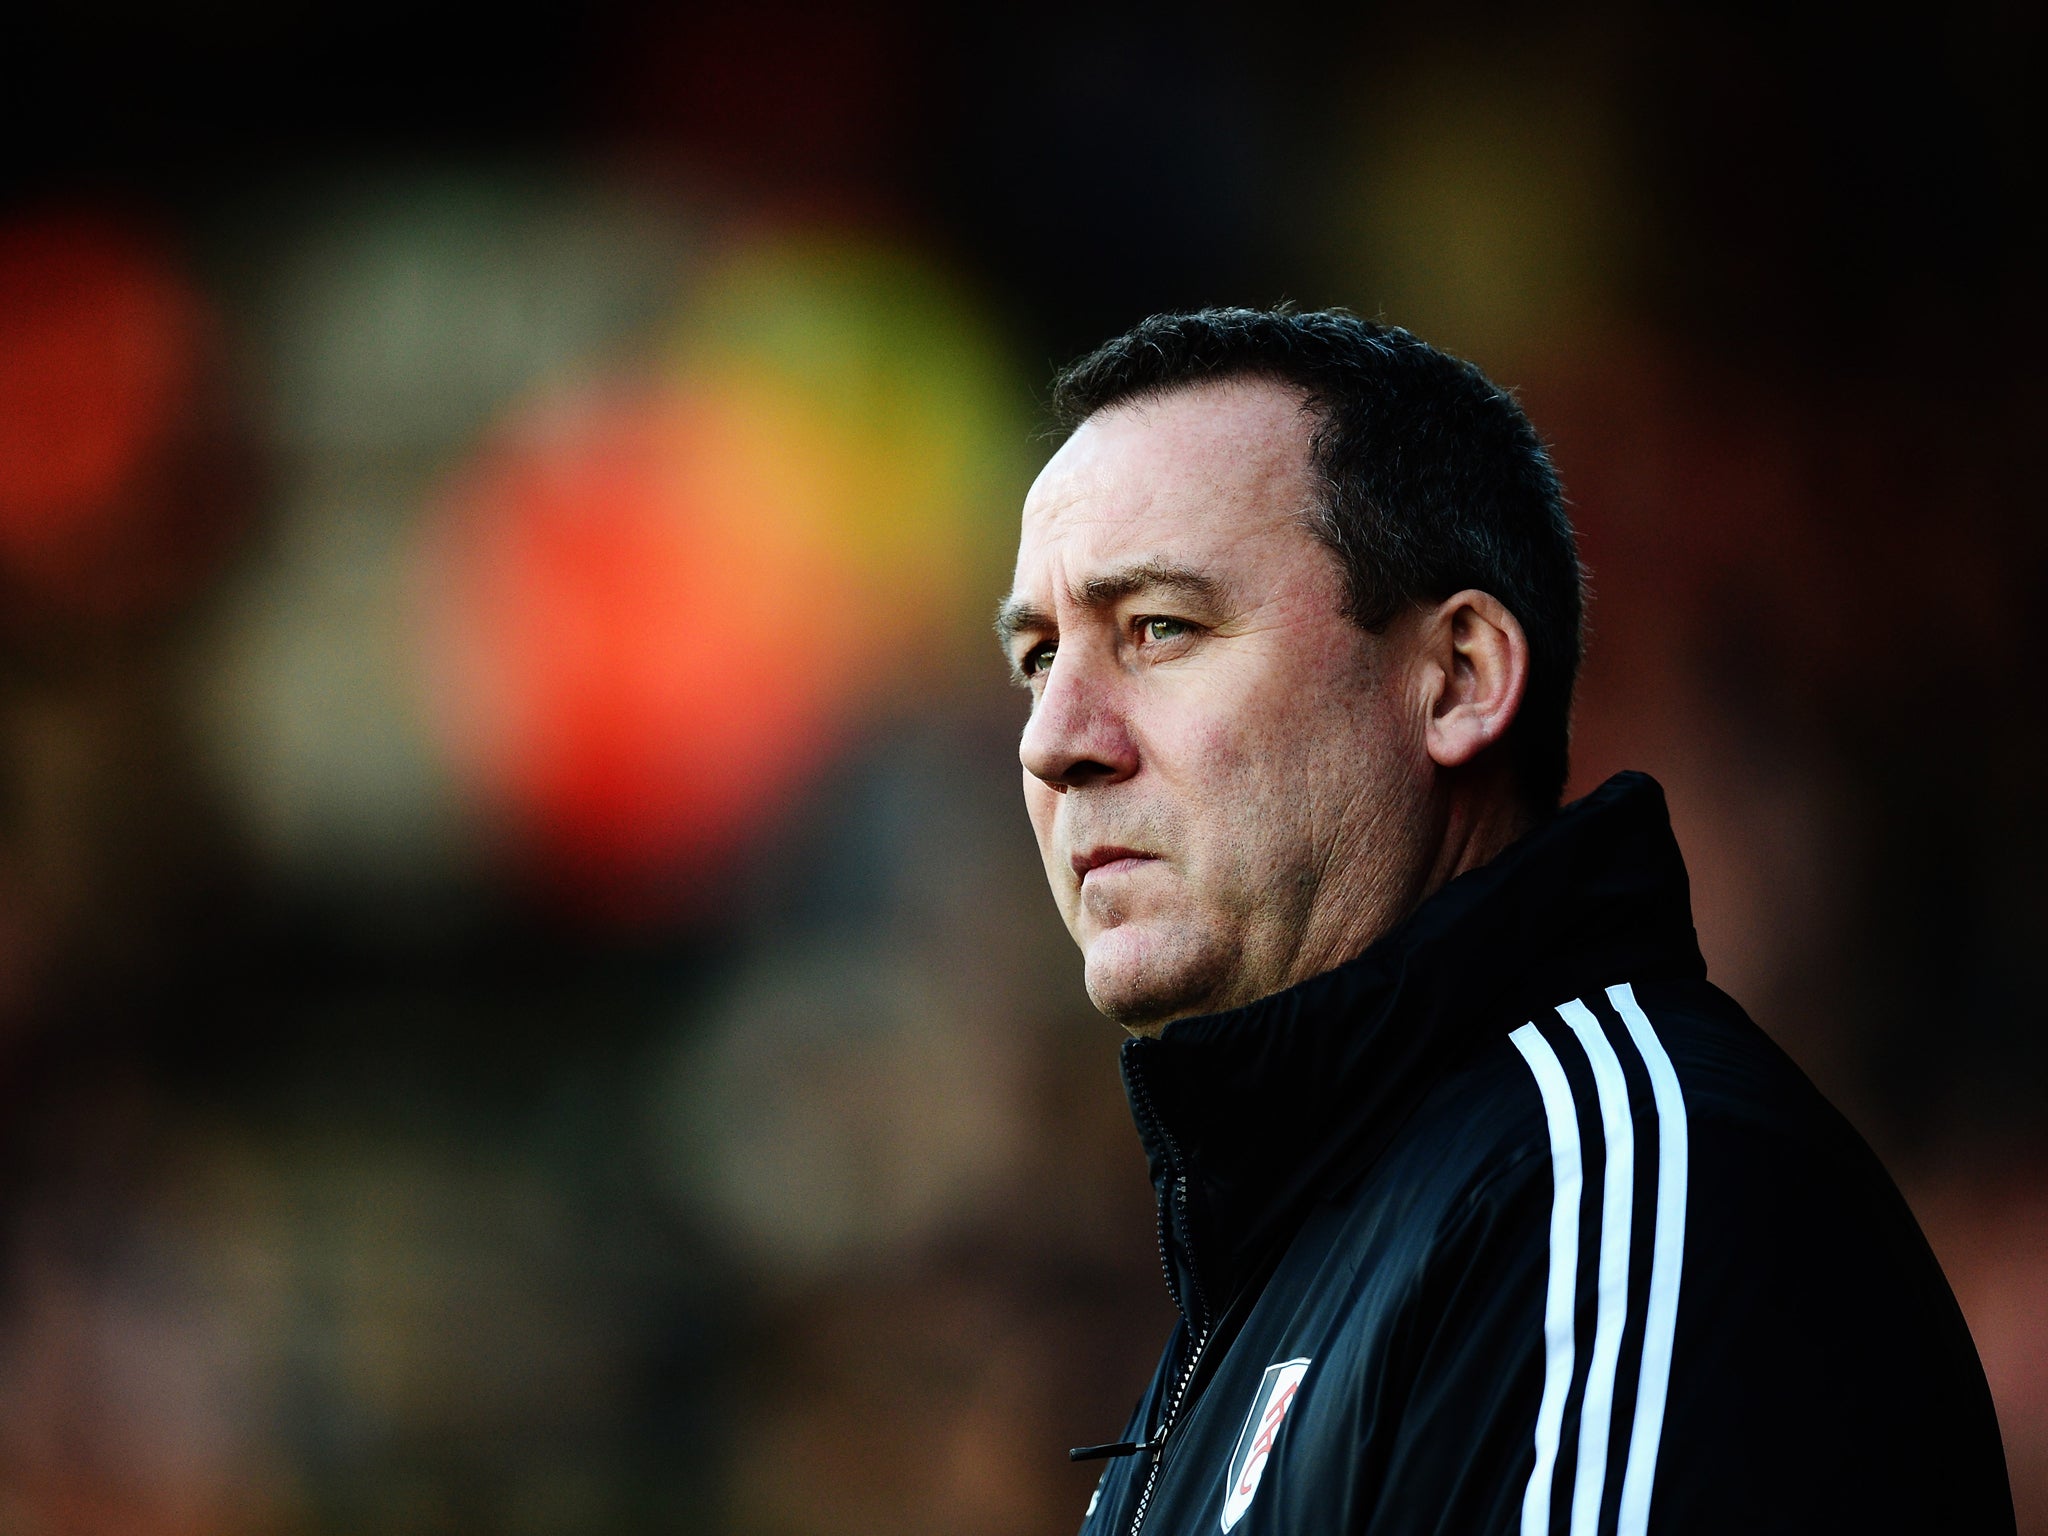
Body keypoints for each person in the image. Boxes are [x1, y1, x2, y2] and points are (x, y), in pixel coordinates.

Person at [995, 308, 2014, 1535]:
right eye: (1038, 658)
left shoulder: (1619, 1194)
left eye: (1160, 627)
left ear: (1460, 677)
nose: (1054, 741)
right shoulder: (1281, 1257)